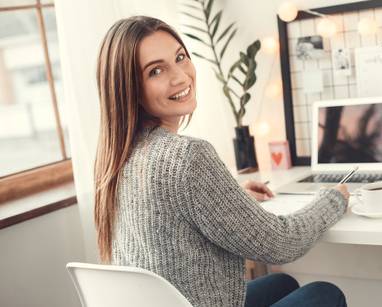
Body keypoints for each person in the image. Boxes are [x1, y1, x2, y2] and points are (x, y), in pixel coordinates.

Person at [94, 16, 349, 307]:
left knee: (283, 283)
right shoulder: (186, 155)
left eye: (180, 58)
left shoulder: (118, 155)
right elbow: (280, 243)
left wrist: (232, 199)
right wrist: (333, 199)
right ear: (129, 87)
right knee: (325, 294)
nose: (180, 76)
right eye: (155, 71)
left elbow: (170, 217)